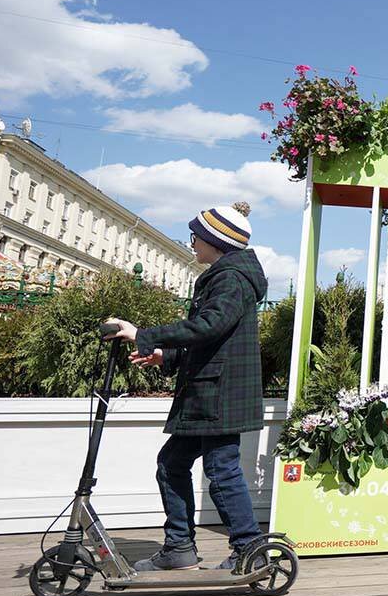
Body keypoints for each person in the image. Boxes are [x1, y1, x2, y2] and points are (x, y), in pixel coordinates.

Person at [104, 202, 269, 572]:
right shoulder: (226, 275)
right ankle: (179, 546)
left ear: (215, 240)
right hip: (210, 392)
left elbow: (209, 326)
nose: (192, 242)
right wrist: (168, 355)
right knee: (172, 463)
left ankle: (249, 549)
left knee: (221, 470)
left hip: (218, 396)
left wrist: (144, 335)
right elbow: (213, 343)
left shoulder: (231, 278)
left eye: (196, 236)